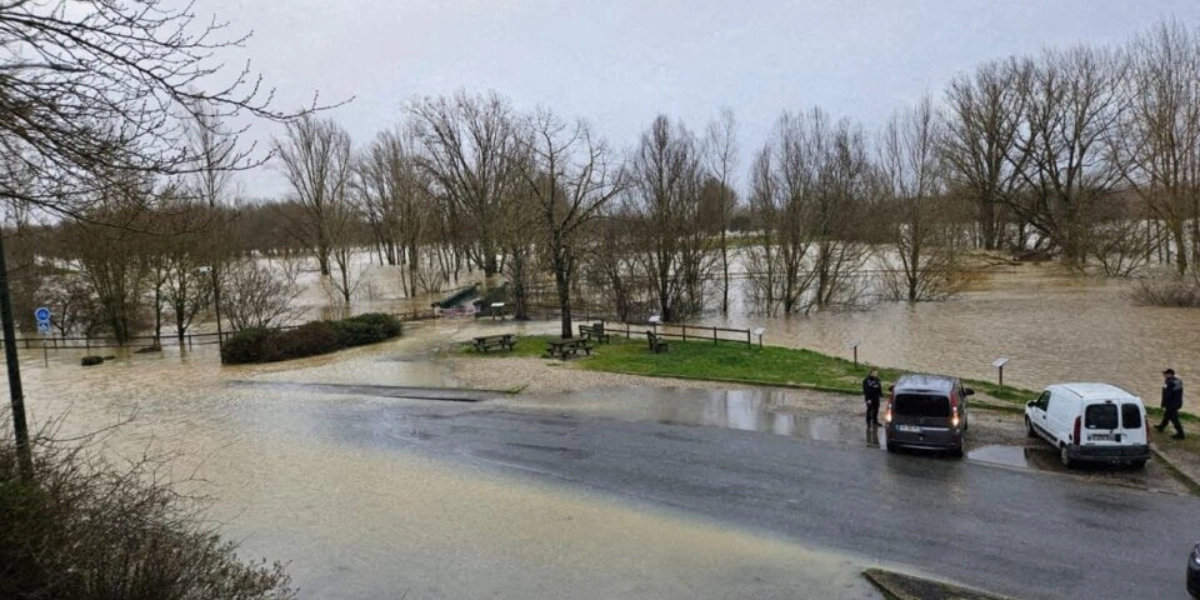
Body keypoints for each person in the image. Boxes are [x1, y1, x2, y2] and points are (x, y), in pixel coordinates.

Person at [1155, 368, 1185, 440]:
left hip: (1172, 404)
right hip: (1175, 402)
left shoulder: (1170, 383)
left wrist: (1163, 404)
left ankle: (1180, 434)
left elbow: (1167, 395)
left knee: (1174, 418)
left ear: (1170, 374)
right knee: (1167, 415)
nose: (1164, 375)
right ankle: (1161, 427)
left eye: (1165, 374)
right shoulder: (1176, 381)